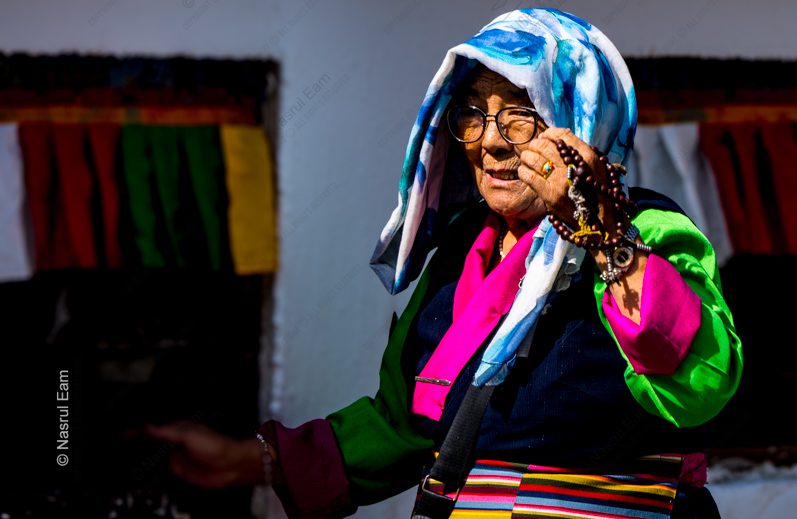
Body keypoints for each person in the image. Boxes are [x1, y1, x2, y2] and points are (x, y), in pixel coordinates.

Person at [145, 8, 742, 518]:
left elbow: (698, 383)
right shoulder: (462, 255)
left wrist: (604, 235)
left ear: (581, 119)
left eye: (521, 113)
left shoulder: (647, 233)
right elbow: (407, 425)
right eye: (474, 114)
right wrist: (244, 461)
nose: (491, 140)